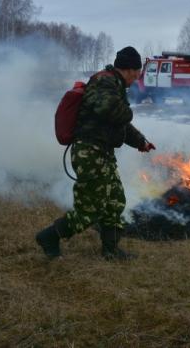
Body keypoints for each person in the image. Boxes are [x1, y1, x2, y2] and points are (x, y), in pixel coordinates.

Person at [36, 46, 155, 260]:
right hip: (90, 153)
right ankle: (49, 236)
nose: (136, 79)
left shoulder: (114, 85)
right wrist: (129, 110)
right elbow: (111, 111)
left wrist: (140, 142)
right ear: (129, 70)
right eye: (136, 74)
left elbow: (118, 124)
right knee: (90, 208)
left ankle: (110, 250)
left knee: (115, 201)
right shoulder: (104, 82)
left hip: (102, 152)